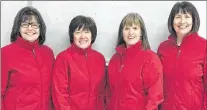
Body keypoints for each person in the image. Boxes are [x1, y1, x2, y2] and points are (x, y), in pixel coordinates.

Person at [106, 12, 164, 110]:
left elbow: (154, 97)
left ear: (141, 32)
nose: (130, 32)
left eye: (135, 28)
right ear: (122, 33)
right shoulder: (114, 60)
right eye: (127, 28)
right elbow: (109, 93)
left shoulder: (151, 59)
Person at [1, 6, 55, 110]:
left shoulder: (48, 53)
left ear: (40, 28)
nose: (30, 29)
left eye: (34, 25)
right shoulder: (5, 53)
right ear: (18, 28)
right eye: (25, 24)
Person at [157, 1, 207, 110]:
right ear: (172, 21)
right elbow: (157, 84)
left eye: (187, 17)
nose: (182, 21)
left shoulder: (204, 46)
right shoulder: (163, 48)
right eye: (178, 17)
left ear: (194, 20)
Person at [52, 15, 106, 110]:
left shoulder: (100, 59)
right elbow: (59, 94)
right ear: (72, 35)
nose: (82, 36)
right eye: (78, 32)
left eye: (86, 32)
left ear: (92, 35)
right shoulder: (63, 58)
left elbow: (101, 93)